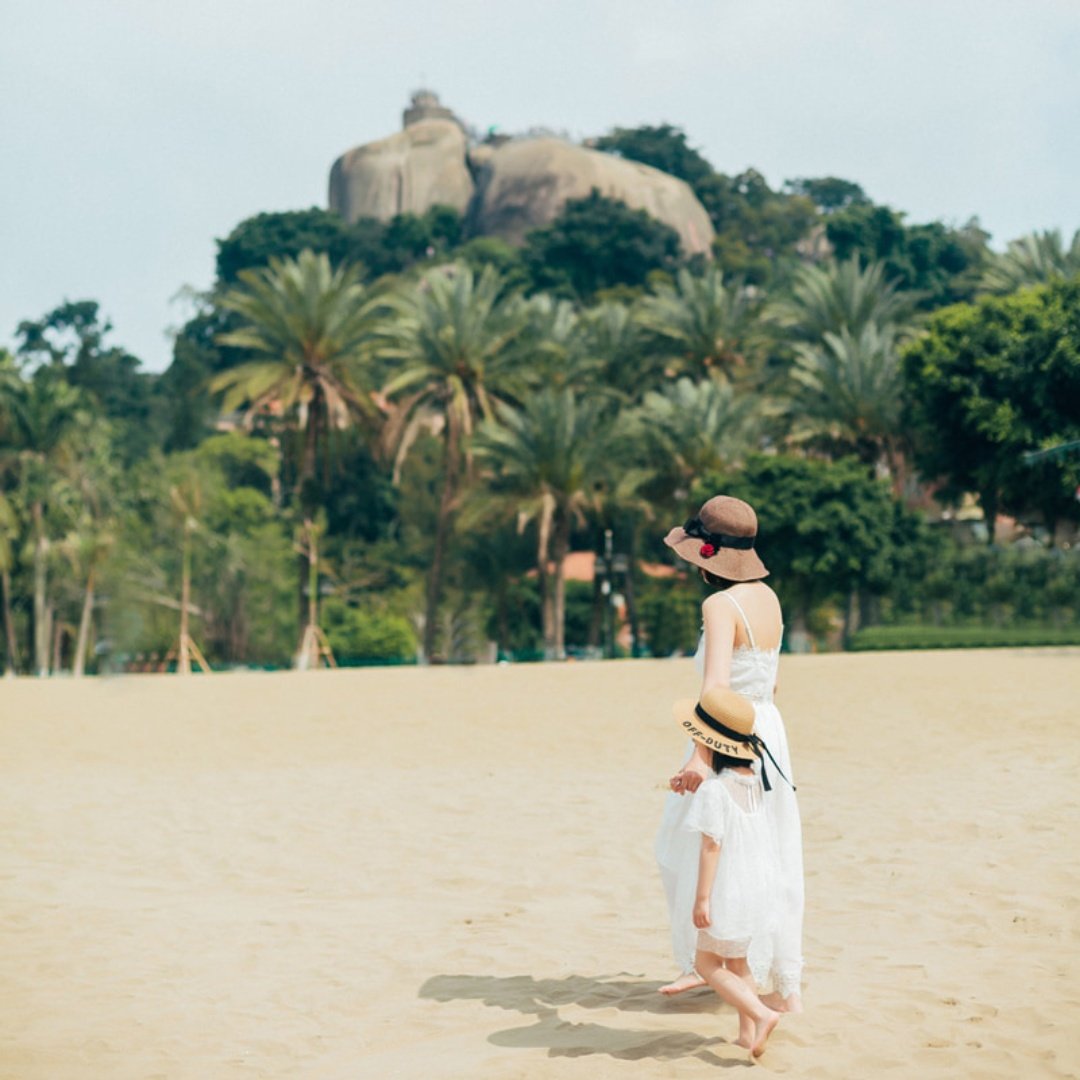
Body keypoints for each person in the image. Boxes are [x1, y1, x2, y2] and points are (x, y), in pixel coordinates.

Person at [655, 495, 805, 1012]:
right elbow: (771, 681)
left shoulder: (719, 606)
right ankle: (776, 981)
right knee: (768, 848)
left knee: (689, 842)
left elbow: (715, 688)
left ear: (708, 557)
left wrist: (701, 756)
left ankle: (711, 960)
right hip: (767, 728)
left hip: (728, 732)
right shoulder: (770, 599)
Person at [674, 685, 783, 1058]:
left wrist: (702, 898)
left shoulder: (715, 791)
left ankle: (762, 1014)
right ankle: (747, 1035)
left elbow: (712, 845)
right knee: (738, 961)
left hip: (728, 889)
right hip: (757, 884)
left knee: (707, 963)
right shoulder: (753, 783)